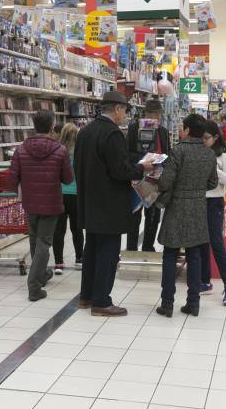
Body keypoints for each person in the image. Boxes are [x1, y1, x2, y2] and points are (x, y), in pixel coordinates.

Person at [75, 91, 154, 317]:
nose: (125, 116)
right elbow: (120, 171)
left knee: (91, 250)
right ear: (117, 109)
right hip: (108, 204)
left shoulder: (86, 131)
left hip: (90, 200)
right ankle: (101, 301)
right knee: (108, 253)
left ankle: (87, 296)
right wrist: (143, 167)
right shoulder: (112, 133)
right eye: (125, 111)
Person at [155, 114, 218, 318]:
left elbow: (165, 182)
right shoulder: (209, 154)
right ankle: (193, 303)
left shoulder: (179, 150)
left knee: (170, 254)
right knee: (195, 255)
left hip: (177, 207)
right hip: (198, 207)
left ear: (188, 130)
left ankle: (167, 303)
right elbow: (213, 183)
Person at [9, 110, 74, 301]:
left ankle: (42, 274)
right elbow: (68, 179)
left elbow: (12, 178)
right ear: (52, 126)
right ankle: (34, 286)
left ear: (34, 125)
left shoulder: (21, 149)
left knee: (34, 239)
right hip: (51, 203)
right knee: (44, 243)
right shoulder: (60, 150)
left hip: (30, 202)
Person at [200, 120, 226, 305]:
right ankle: (204, 281)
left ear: (215, 137)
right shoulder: (198, 151)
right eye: (201, 137)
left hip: (214, 202)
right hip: (197, 201)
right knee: (201, 242)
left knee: (216, 242)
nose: (203, 141)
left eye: (206, 138)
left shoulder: (223, 156)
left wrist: (215, 172)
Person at [126, 99, 169, 252]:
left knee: (154, 216)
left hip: (155, 180)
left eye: (158, 115)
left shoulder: (163, 131)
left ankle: (148, 246)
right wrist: (143, 160)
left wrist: (161, 161)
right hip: (137, 178)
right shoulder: (133, 129)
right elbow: (127, 153)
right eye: (152, 114)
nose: (156, 118)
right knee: (134, 215)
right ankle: (131, 247)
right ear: (146, 113)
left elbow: (167, 153)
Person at [53, 123, 83, 274]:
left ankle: (58, 263)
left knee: (59, 230)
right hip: (76, 195)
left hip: (60, 194)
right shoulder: (81, 151)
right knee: (77, 229)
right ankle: (79, 259)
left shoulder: (57, 151)